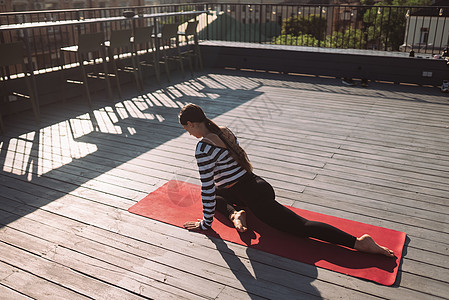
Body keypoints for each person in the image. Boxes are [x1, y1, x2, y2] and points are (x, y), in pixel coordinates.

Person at [179, 103, 395, 257]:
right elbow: (216, 182)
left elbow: (206, 187)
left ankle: (357, 242)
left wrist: (205, 224)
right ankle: (236, 213)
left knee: (302, 227)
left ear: (191, 123)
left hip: (253, 196)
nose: (189, 134)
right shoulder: (224, 130)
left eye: (187, 129)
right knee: (217, 194)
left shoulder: (203, 148)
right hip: (254, 184)